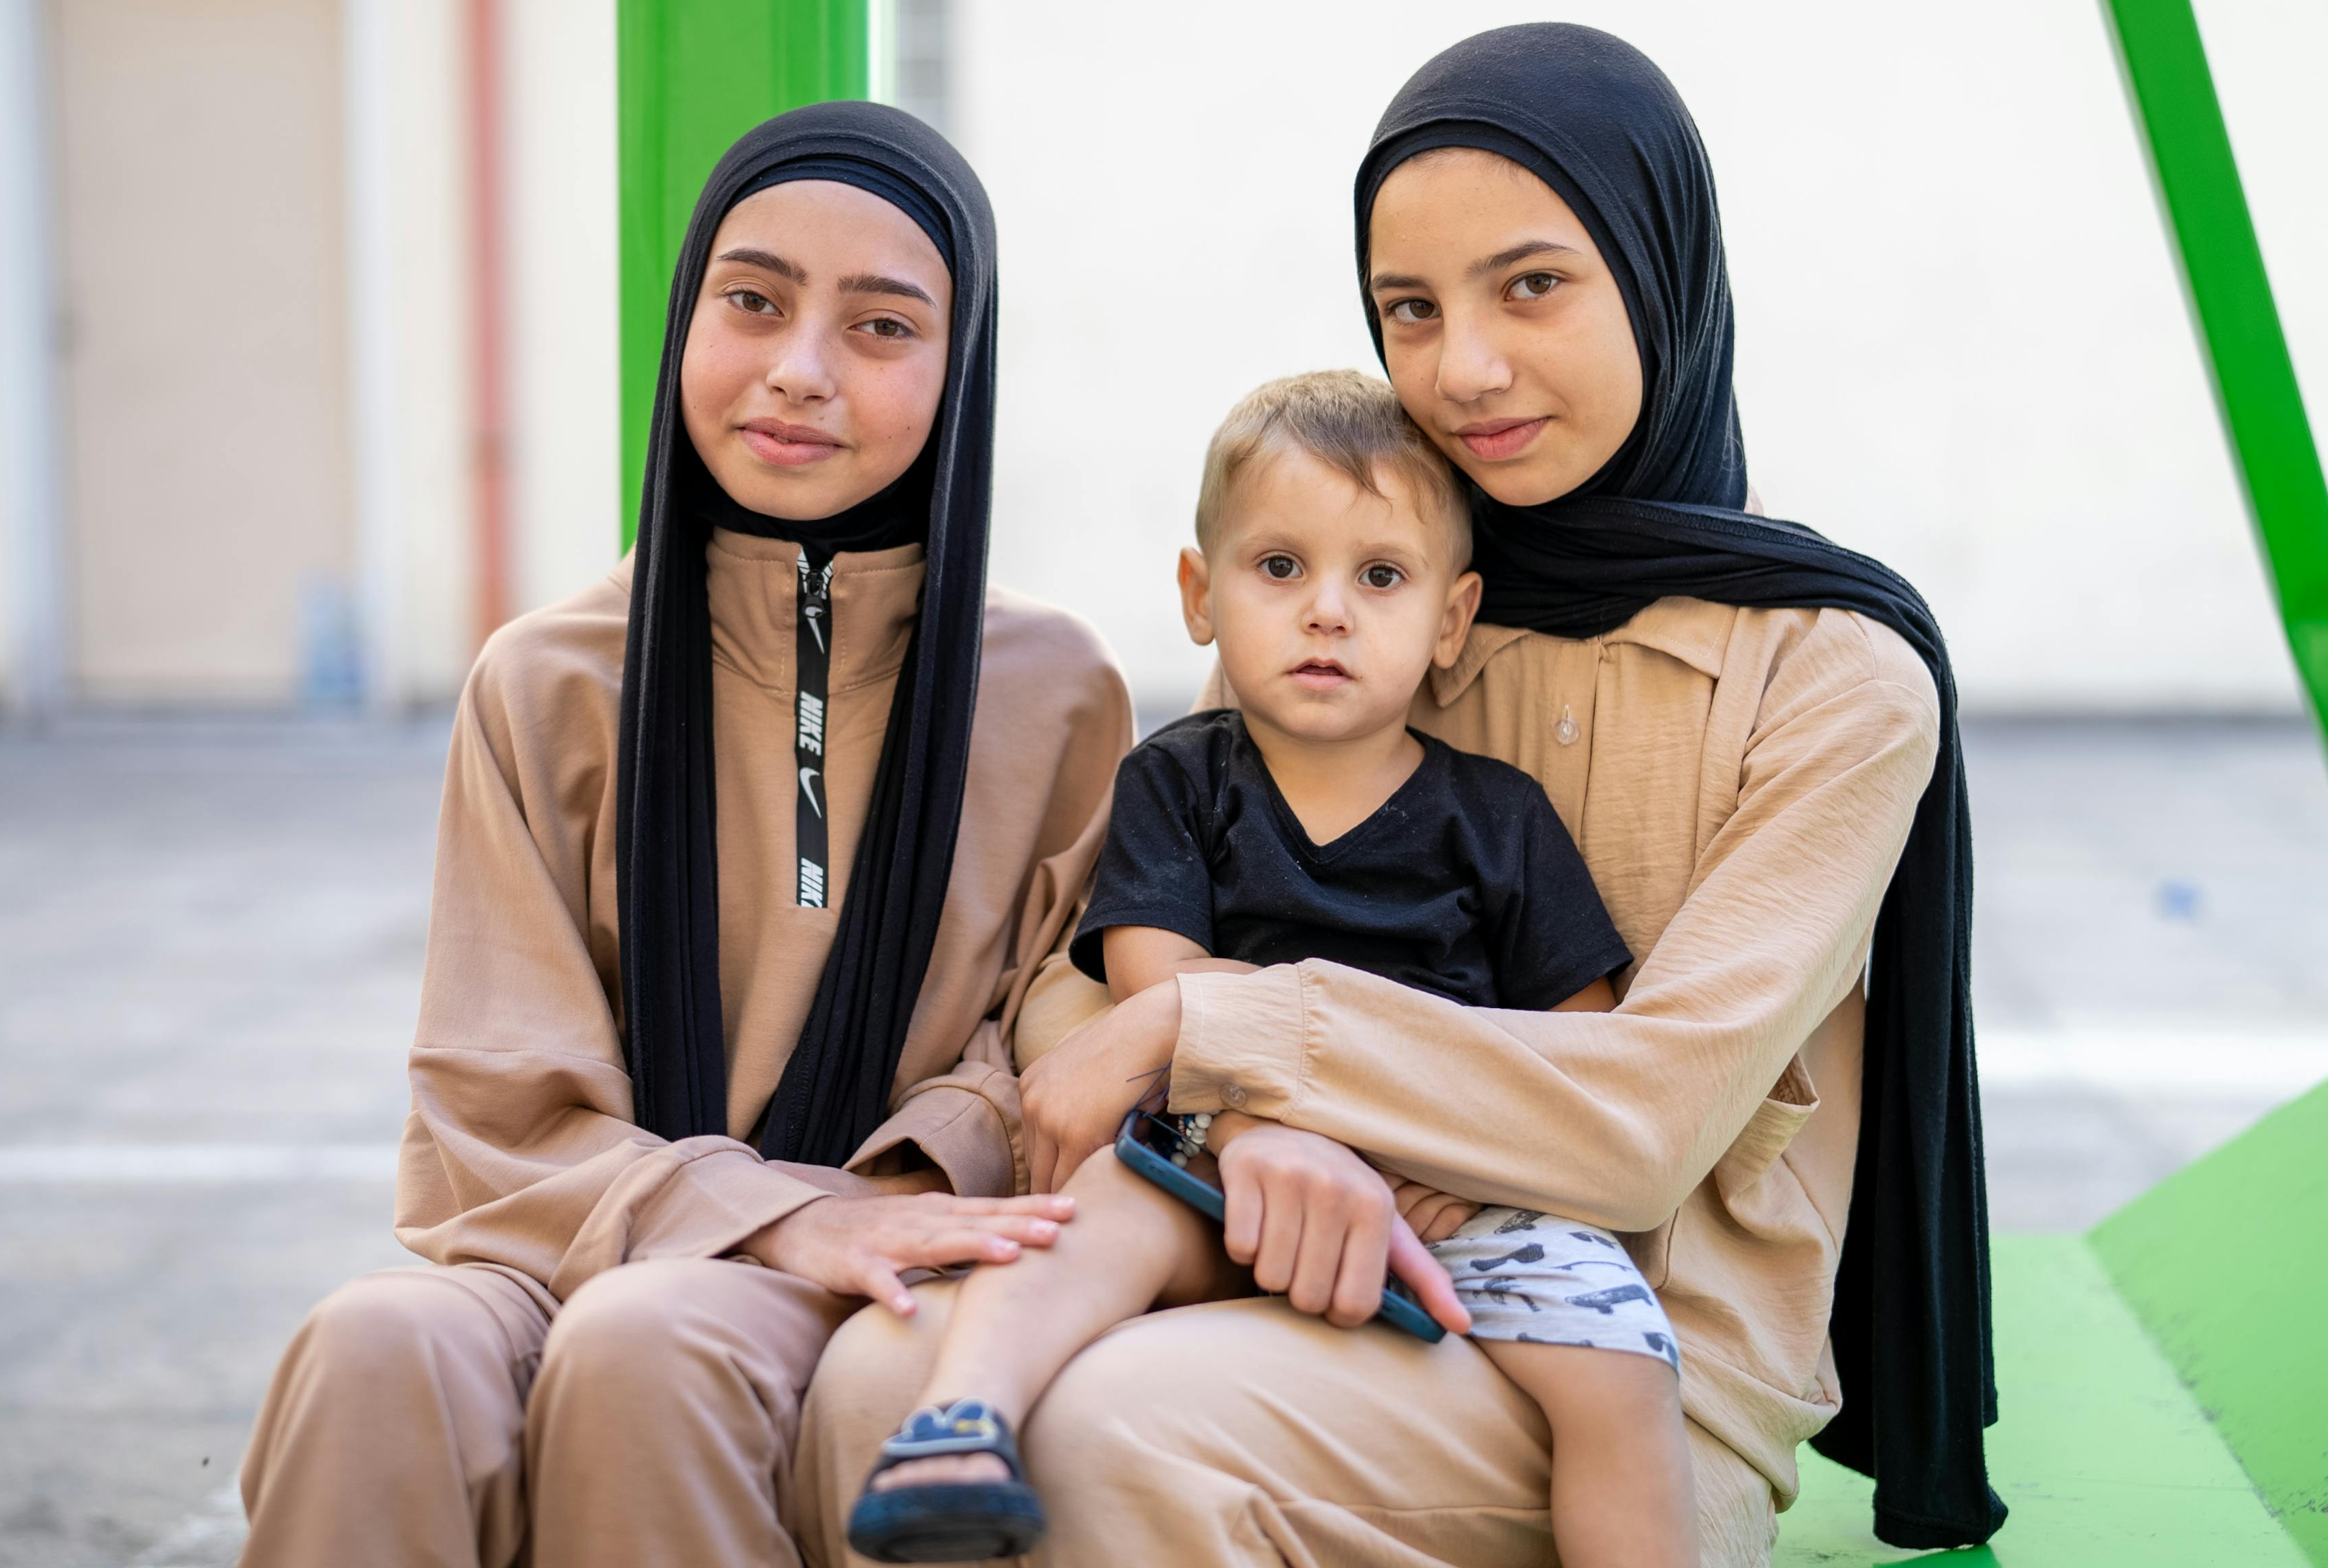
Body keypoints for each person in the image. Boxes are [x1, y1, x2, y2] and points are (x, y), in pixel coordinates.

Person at [795, 24, 2002, 1568]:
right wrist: (1241, 1129)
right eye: (1409, 311)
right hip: (1254, 1242)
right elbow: (1093, 984)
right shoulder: (1368, 586)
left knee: (1112, 1441)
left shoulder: (1831, 676)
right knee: (876, 1382)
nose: (1465, 368)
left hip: (1619, 1355)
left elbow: (1640, 1120)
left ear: (1658, 268)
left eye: (1534, 285)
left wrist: (1220, 1042)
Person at [234, 101, 1135, 1568]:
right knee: (372, 1345)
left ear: (960, 370)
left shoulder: (1054, 693)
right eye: (754, 301)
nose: (796, 370)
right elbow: (496, 1105)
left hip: (878, 1243)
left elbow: (1043, 1046)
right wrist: (745, 1213)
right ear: (687, 320)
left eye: (882, 326)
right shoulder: (549, 678)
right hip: (581, 1235)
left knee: (652, 1344)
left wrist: (852, 1212)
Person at [845, 370, 1696, 1568]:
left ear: (1452, 621)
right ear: (1201, 594)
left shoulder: (1497, 817)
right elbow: (1160, 975)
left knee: (1621, 1363)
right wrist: (1265, 1119)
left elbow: (1582, 1031)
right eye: (1280, 567)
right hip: (1226, 1153)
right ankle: (959, 1425)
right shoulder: (1181, 779)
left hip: (1448, 1187)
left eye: (1381, 577)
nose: (1328, 613)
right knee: (1100, 1212)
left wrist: (1465, 1152)